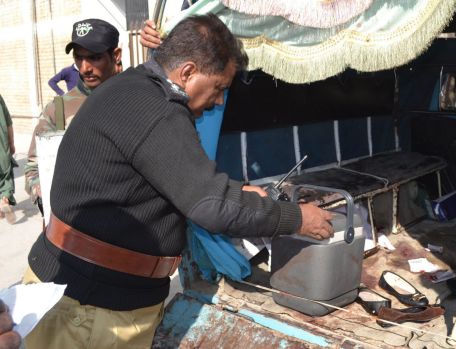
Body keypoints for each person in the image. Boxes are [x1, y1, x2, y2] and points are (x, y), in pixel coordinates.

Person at [23, 14, 333, 348]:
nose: (217, 102)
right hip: (92, 311)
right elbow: (211, 206)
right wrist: (298, 218)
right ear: (187, 72)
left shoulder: (132, 87)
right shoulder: (159, 109)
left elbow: (156, 174)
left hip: (76, 293)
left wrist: (237, 190)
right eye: (218, 89)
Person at [24, 18, 122, 210]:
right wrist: (40, 188)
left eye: (94, 57)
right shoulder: (57, 110)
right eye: (79, 57)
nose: (85, 67)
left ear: (115, 55)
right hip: (78, 224)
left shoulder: (138, 99)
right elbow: (32, 169)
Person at [0, 94, 16, 224]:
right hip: (2, 144)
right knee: (6, 176)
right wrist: (11, 143)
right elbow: (8, 121)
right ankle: (4, 199)